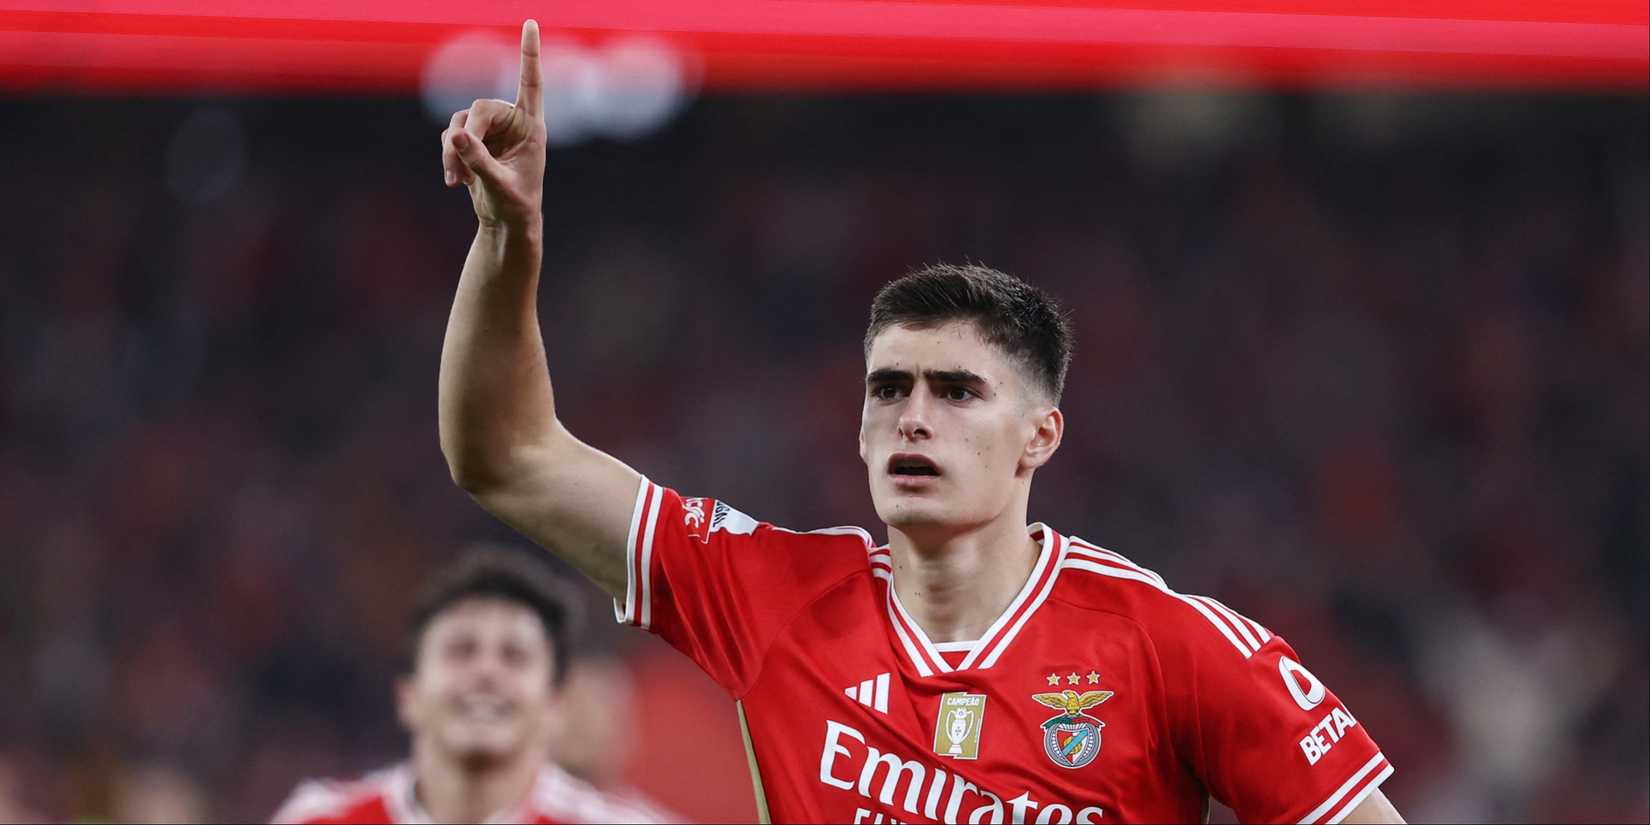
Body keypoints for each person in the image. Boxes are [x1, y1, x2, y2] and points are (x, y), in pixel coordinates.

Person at [435, 20, 1406, 824]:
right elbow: (506, 458)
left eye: (959, 391)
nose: (913, 418)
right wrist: (505, 243)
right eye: (888, 389)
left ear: (1041, 436)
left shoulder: (1168, 647)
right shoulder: (771, 596)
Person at [272, 547, 671, 824]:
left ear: (553, 707)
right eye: (461, 650)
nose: (486, 672)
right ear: (408, 696)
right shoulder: (318, 819)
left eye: (514, 655)